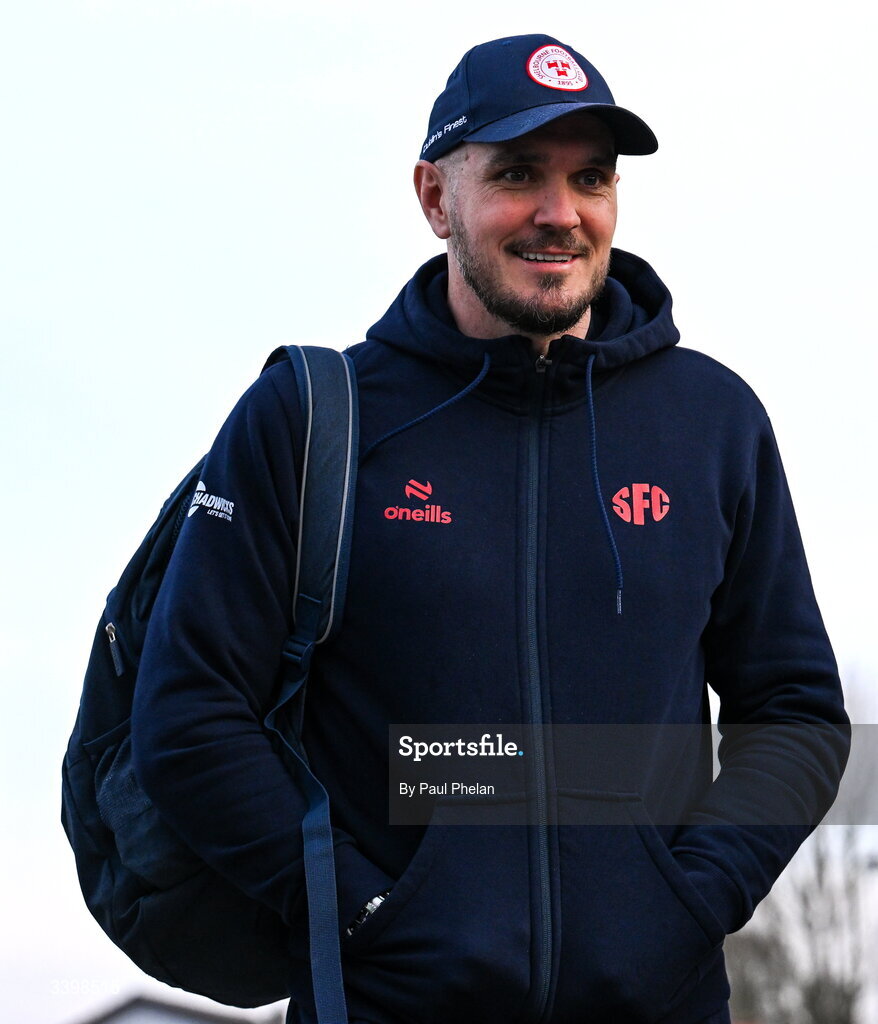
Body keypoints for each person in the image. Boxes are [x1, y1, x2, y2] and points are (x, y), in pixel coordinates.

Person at [131, 33, 850, 1024]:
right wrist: (353, 907)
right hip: (387, 1001)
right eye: (517, 174)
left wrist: (693, 897)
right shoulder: (311, 421)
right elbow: (186, 714)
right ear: (434, 196)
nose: (559, 213)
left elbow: (795, 712)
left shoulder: (712, 422)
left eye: (588, 178)